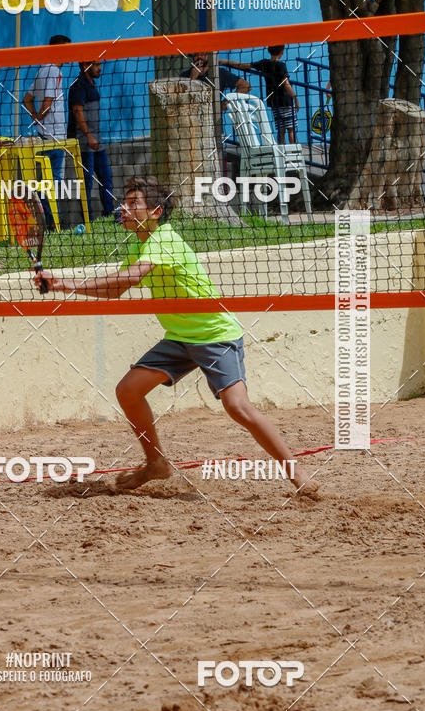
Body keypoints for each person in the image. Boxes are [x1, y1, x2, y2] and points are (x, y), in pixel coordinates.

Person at [36, 176, 320, 498]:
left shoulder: (163, 239)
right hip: (181, 337)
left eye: (134, 204)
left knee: (238, 407)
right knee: (128, 391)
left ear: (155, 212)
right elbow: (117, 289)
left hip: (214, 335)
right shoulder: (139, 244)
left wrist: (65, 283)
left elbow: (129, 277)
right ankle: (156, 463)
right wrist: (63, 285)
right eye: (124, 203)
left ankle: (299, 475)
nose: (124, 209)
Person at [23, 34, 71, 228]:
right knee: (55, 182)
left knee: (45, 181)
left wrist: (36, 118)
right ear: (58, 50)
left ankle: (47, 220)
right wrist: (39, 117)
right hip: (55, 136)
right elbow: (48, 103)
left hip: (44, 135)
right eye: (68, 49)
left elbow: (26, 99)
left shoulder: (42, 70)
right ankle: (53, 223)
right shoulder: (52, 70)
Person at [68, 60, 114, 219]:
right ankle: (88, 219)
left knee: (106, 178)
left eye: (99, 64)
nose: (99, 68)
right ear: (84, 66)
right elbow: (77, 111)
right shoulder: (78, 85)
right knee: (86, 183)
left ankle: (109, 213)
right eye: (95, 64)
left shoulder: (91, 83)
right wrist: (88, 136)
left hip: (97, 141)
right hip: (84, 142)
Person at [233, 46, 300, 144]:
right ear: (282, 51)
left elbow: (245, 65)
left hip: (274, 102)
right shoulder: (281, 65)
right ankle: (294, 154)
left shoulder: (264, 63)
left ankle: (283, 155)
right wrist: (295, 97)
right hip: (286, 101)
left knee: (281, 131)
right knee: (291, 129)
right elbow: (285, 83)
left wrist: (227, 62)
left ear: (269, 51)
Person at [180, 52, 251, 109]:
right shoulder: (185, 75)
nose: (199, 57)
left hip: (213, 119)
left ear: (209, 56)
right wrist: (193, 78)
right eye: (196, 54)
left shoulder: (220, 73)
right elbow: (181, 98)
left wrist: (224, 103)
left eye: (203, 54)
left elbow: (246, 86)